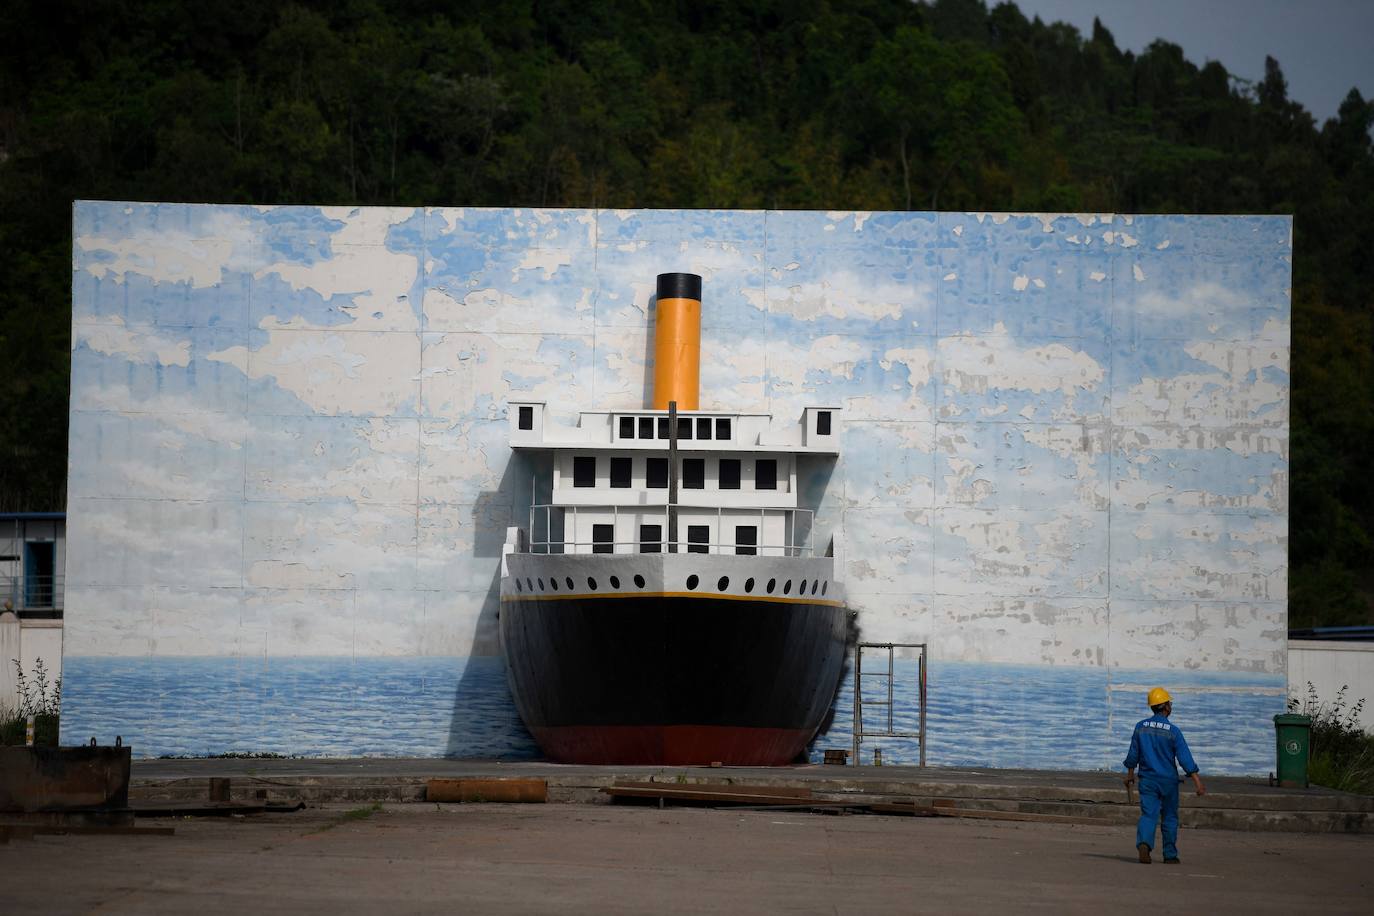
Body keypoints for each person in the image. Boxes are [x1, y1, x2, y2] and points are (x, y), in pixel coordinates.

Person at [1122, 687, 1205, 865]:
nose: (1171, 706)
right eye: (1170, 703)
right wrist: (1198, 783)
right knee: (1169, 817)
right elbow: (1185, 759)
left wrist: (1130, 775)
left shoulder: (1140, 727)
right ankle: (1169, 855)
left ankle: (1144, 843)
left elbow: (1132, 755)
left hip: (1147, 780)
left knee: (1148, 815)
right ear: (1166, 706)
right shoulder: (1173, 731)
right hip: (1168, 782)